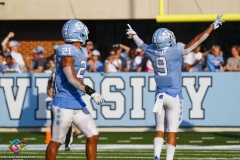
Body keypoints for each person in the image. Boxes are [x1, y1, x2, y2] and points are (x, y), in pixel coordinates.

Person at [126, 14, 224, 160]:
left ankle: (156, 156)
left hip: (159, 96)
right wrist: (211, 26)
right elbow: (197, 40)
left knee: (159, 129)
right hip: (174, 96)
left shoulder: (151, 51)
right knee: (172, 131)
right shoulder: (176, 50)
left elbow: (141, 44)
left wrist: (134, 34)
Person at [45, 19, 104, 160]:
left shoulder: (78, 51)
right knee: (57, 141)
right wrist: (92, 92)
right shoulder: (66, 50)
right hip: (63, 103)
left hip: (77, 101)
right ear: (78, 33)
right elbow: (71, 77)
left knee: (93, 135)